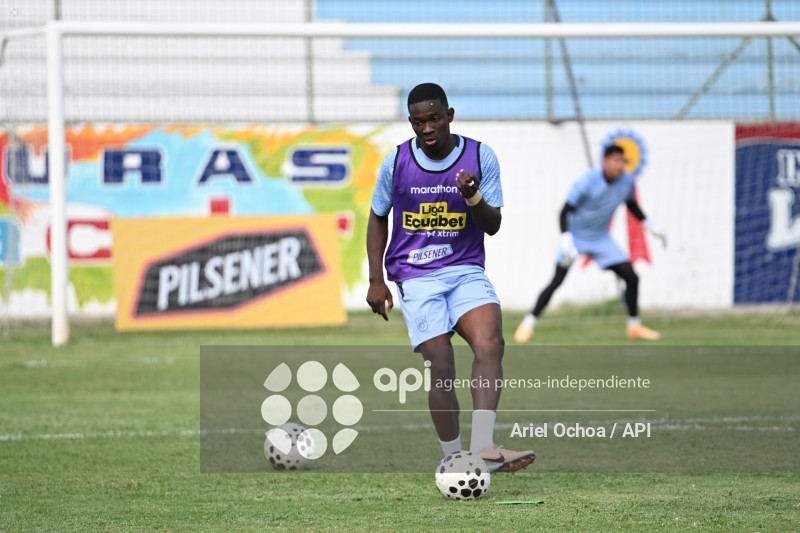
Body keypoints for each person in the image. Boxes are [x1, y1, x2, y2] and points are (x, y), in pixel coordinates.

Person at [366, 83, 535, 473]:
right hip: (415, 275)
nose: (427, 128)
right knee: (441, 365)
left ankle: (483, 450)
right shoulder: (396, 162)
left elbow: (492, 225)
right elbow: (377, 216)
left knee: (490, 344)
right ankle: (454, 459)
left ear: (450, 116)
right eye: (418, 122)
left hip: (464, 270)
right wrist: (377, 279)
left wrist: (473, 196)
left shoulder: (479, 156)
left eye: (434, 119)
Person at [514, 144, 667, 343]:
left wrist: (649, 224)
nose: (620, 165)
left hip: (600, 237)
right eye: (616, 160)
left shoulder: (627, 182)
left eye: (623, 161)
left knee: (631, 277)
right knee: (557, 280)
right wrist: (566, 238)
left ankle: (634, 327)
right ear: (605, 161)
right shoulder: (588, 181)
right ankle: (527, 324)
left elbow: (631, 204)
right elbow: (565, 211)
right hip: (575, 237)